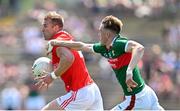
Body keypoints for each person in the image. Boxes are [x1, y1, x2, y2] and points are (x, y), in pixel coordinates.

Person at [48, 15, 164, 110]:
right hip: (147, 93)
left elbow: (139, 48)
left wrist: (129, 71)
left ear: (107, 34)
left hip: (136, 98)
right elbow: (82, 46)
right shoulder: (103, 47)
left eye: (100, 32)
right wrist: (59, 42)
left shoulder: (119, 43)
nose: (99, 34)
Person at [34, 11, 103, 110]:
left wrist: (52, 76)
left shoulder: (57, 42)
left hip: (81, 93)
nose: (42, 29)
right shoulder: (64, 38)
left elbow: (69, 58)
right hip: (92, 89)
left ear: (56, 28)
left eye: (45, 26)